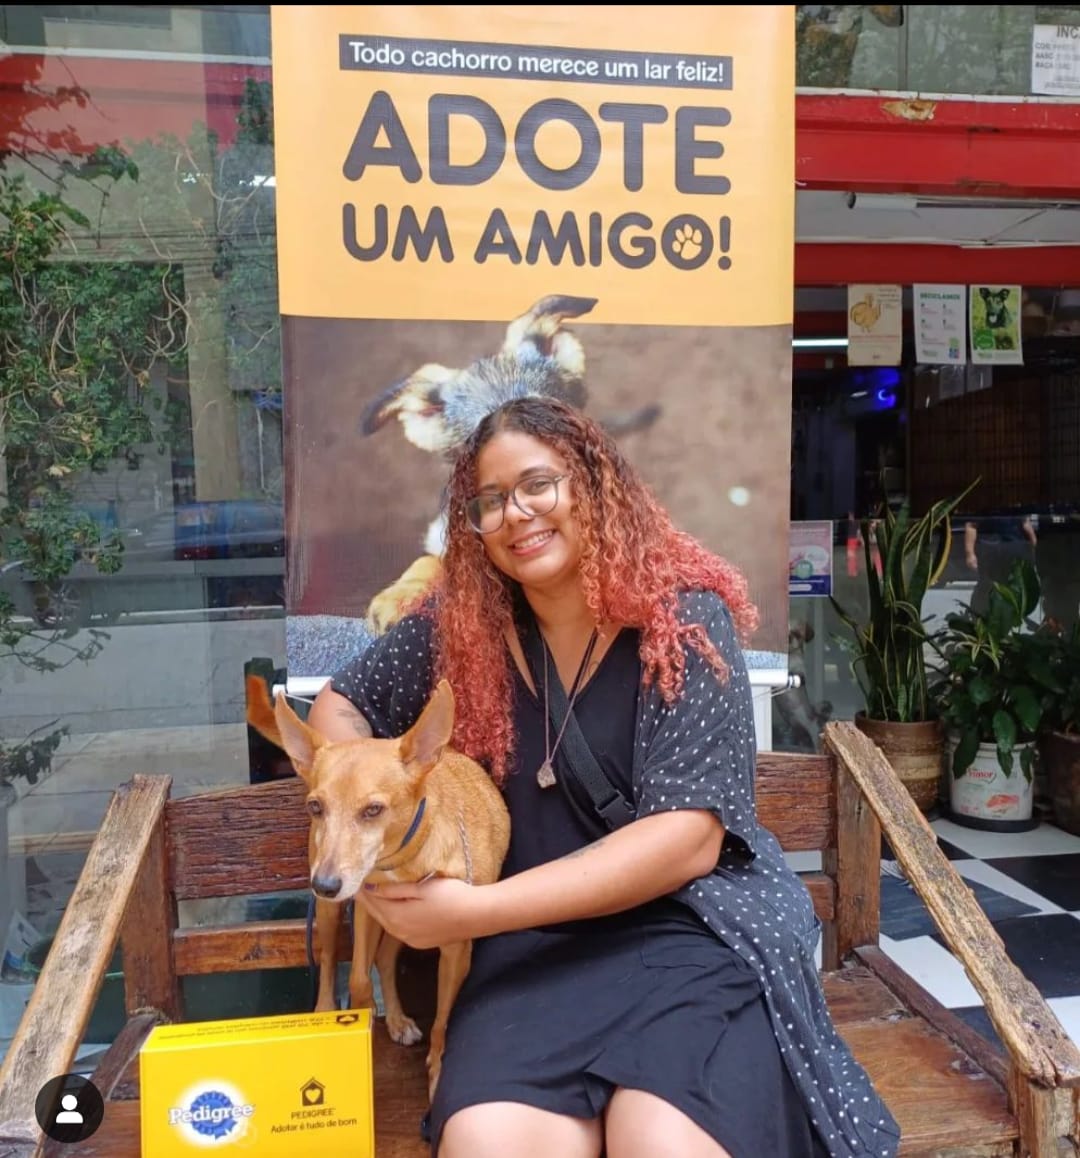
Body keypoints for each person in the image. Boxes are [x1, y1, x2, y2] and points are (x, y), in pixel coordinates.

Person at [310, 396, 900, 1158]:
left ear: (592, 485)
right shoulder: (459, 627)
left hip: (683, 939)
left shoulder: (682, 621)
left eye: (538, 484)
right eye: (490, 500)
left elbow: (687, 841)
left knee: (659, 1143)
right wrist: (379, 809)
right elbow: (339, 710)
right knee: (489, 1145)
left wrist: (470, 912)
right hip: (527, 959)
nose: (516, 513)